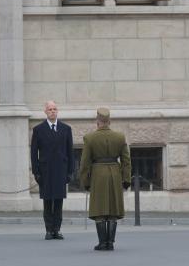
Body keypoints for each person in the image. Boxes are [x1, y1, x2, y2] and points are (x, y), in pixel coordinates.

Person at [79, 108, 131, 251]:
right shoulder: (120, 137)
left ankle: (103, 242)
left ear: (98, 121)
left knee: (100, 208)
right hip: (115, 173)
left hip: (98, 174)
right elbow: (126, 161)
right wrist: (126, 179)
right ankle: (111, 242)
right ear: (109, 121)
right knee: (113, 209)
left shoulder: (90, 138)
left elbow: (84, 163)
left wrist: (85, 181)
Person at [31, 101, 74, 240]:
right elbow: (33, 153)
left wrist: (70, 171)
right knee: (48, 202)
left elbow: (70, 151)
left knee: (59, 201)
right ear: (45, 112)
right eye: (50, 109)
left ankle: (57, 229)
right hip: (46, 171)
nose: (52, 111)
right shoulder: (39, 129)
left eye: (55, 109)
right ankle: (49, 230)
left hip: (60, 170)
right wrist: (36, 171)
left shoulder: (66, 129)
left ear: (58, 111)